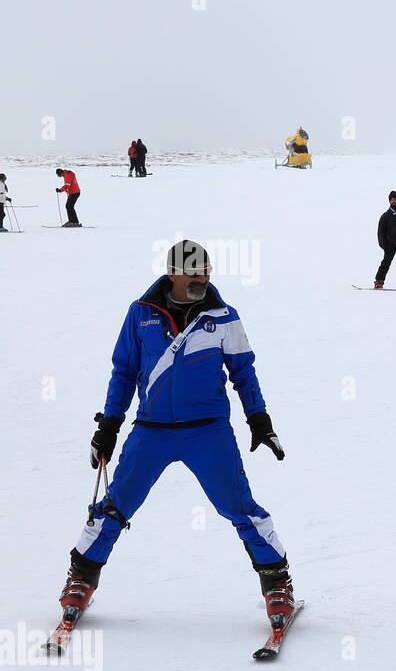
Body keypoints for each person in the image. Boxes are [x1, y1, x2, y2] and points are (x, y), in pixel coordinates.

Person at [53, 240, 295, 640]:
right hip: (153, 430)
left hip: (208, 430)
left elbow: (243, 372)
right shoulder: (141, 314)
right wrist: (109, 425)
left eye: (207, 271)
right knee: (113, 509)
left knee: (240, 508)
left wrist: (259, 419)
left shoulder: (224, 316)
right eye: (195, 272)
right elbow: (124, 371)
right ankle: (81, 579)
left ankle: (277, 583)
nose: (203, 278)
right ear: (173, 274)